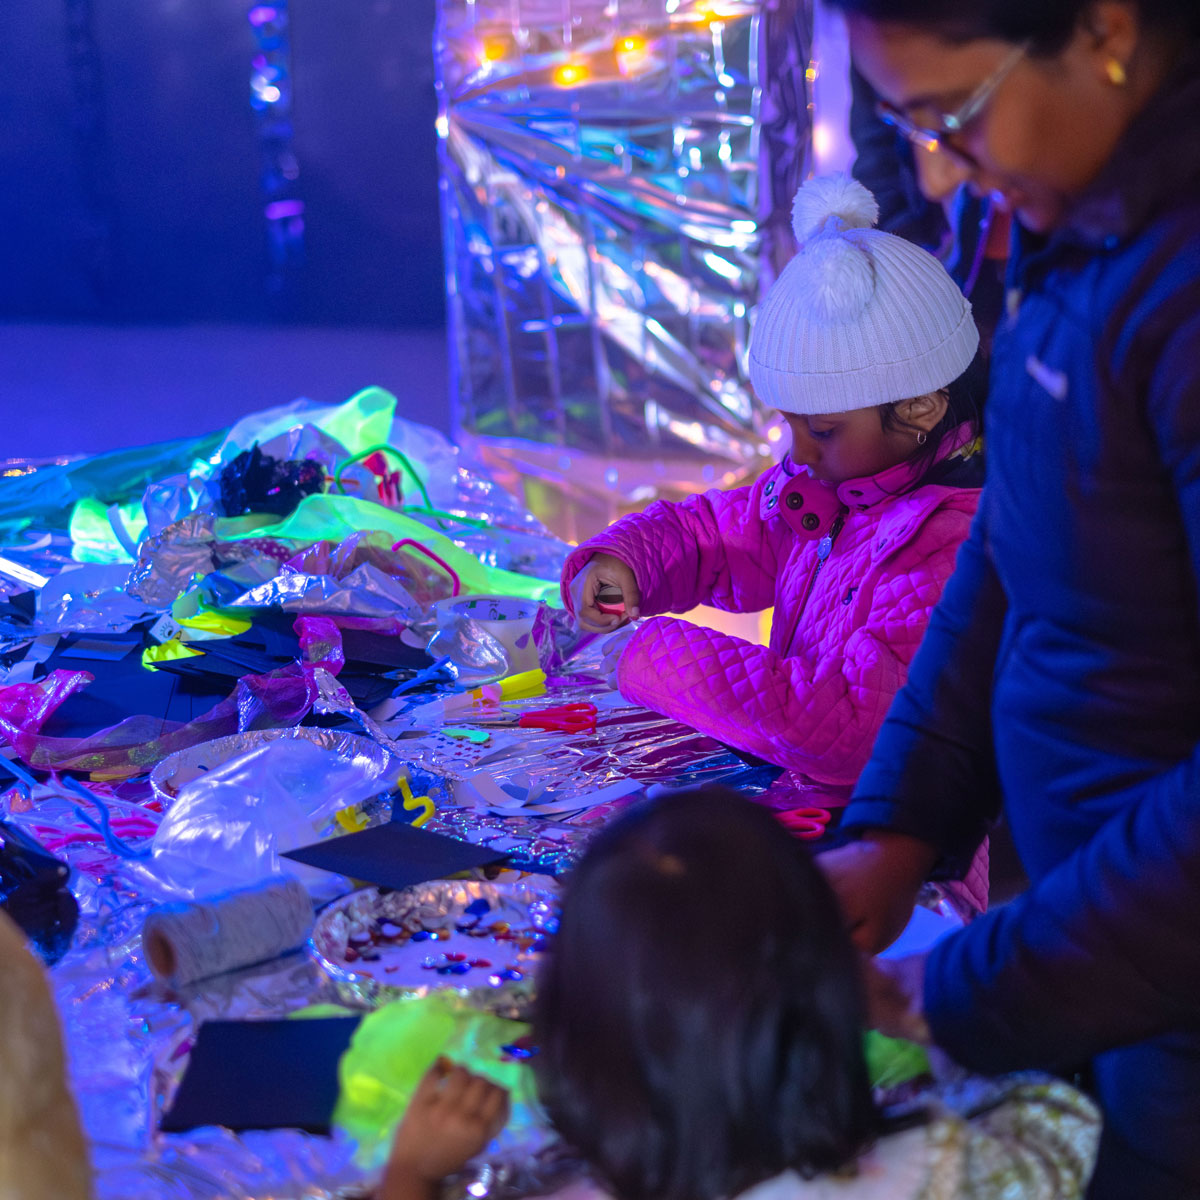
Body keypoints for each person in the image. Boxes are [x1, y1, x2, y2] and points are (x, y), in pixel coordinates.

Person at [809, 0, 1200, 1194]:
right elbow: (1021, 546)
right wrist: (898, 822)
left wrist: (980, 982)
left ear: (1105, 29)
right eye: (904, 126)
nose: (938, 168)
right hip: (1109, 947)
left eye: (951, 118)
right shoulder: (1080, 212)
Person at [562, 174, 984, 892]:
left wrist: (645, 652)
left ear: (919, 408)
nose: (799, 453)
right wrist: (628, 561)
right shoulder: (836, 482)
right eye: (789, 425)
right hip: (809, 814)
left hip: (898, 869)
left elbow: (847, 727)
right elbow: (722, 536)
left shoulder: (953, 544)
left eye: (821, 430)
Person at [378, 790, 1100, 1200]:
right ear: (832, 988)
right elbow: (1058, 1122)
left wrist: (409, 1176)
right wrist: (921, 1010)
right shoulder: (934, 1172)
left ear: (569, 1023)